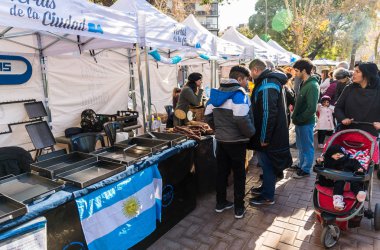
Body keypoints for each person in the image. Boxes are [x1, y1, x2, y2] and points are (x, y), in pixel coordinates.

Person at [204, 65, 256, 219]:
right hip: (237, 142)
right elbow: (242, 119)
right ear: (239, 79)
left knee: (222, 172)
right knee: (239, 175)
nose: (247, 83)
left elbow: (207, 117)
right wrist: (251, 132)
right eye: (246, 79)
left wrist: (218, 129)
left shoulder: (215, 95)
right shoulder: (240, 95)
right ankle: (239, 208)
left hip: (221, 141)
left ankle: (220, 203)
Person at [248, 59, 292, 205]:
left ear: (255, 70)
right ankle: (266, 188)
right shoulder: (268, 81)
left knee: (267, 164)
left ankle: (267, 196)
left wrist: (264, 137)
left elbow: (268, 112)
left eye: (250, 72)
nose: (250, 75)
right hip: (269, 132)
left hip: (268, 135)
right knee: (265, 163)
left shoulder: (267, 83)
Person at [291, 59, 320, 178]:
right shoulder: (305, 82)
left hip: (305, 122)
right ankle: (301, 165)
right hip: (301, 121)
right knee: (301, 145)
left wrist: (299, 119)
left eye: (297, 71)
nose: (295, 73)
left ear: (304, 70)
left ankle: (306, 169)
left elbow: (311, 108)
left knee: (307, 146)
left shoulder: (312, 85)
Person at [335, 62, 380, 136]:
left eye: (357, 71)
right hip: (348, 132)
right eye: (354, 71)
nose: (353, 73)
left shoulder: (378, 91)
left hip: (371, 135)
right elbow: (338, 107)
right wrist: (343, 118)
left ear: (367, 75)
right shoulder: (349, 88)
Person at [316, 145, 366, 210]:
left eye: (340, 154)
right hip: (335, 181)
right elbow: (322, 168)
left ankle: (359, 193)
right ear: (330, 155)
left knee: (355, 182)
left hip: (350, 180)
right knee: (339, 182)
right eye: (335, 154)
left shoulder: (350, 161)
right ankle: (337, 201)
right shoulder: (328, 162)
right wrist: (319, 162)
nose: (338, 155)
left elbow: (356, 165)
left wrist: (360, 169)